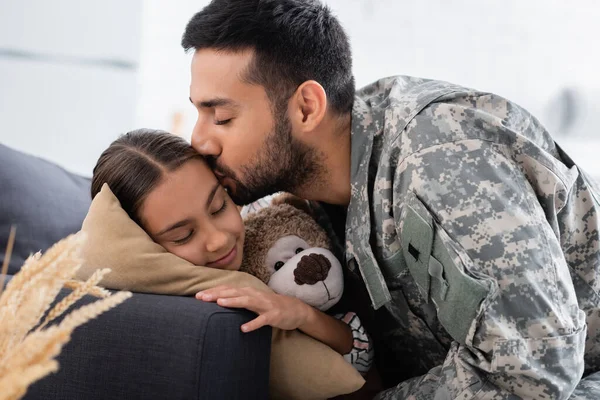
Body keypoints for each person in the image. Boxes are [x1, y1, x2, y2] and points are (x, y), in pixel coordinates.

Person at [180, 0, 600, 398]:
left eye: (222, 117)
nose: (199, 140)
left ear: (307, 108)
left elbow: (536, 370)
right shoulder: (304, 199)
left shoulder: (438, 157)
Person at [90, 128, 374, 377]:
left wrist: (303, 315)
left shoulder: (267, 225)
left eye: (219, 207)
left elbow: (365, 360)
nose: (218, 240)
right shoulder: (151, 297)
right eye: (183, 235)